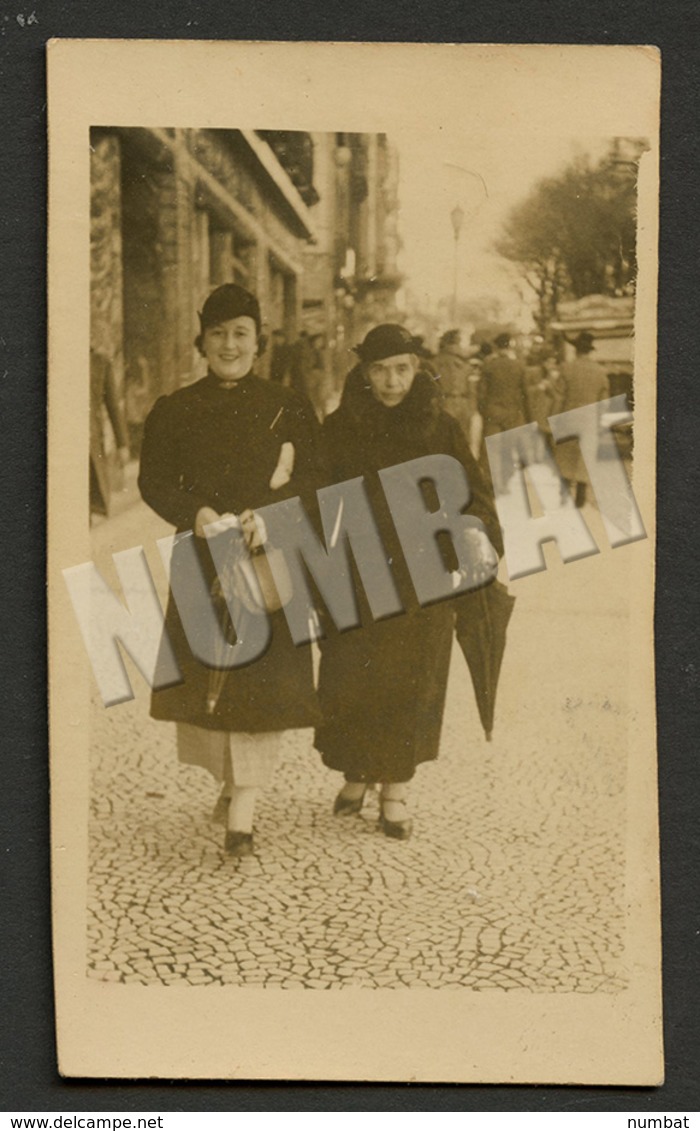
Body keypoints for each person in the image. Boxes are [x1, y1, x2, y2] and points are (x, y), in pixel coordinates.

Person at [138, 284, 322, 858]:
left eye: (241, 333)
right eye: (217, 333)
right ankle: (229, 781)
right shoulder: (175, 408)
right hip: (202, 554)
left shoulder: (288, 406)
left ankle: (243, 809)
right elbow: (153, 479)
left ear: (259, 341)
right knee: (210, 688)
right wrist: (193, 513)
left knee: (262, 684)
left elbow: (319, 475)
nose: (229, 344)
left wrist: (274, 515)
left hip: (268, 557)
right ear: (201, 341)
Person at [314, 324, 503, 841]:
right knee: (352, 676)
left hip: (423, 581)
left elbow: (474, 493)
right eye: (380, 369)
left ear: (417, 367)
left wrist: (479, 531)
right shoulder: (340, 427)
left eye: (401, 368)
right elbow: (313, 494)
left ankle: (394, 788)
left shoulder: (440, 427)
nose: (392, 381)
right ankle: (356, 773)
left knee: (409, 682)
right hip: (356, 575)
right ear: (364, 372)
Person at [553, 331, 610, 507]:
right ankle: (580, 497)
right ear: (590, 351)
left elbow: (558, 396)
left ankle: (563, 496)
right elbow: (604, 402)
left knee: (565, 456)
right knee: (585, 457)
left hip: (569, 418)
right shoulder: (600, 371)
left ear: (576, 350)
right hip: (590, 420)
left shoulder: (566, 368)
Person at [477, 332, 529, 495]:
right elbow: (525, 393)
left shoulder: (489, 365)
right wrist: (527, 415)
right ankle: (505, 483)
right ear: (509, 346)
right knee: (508, 448)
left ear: (496, 347)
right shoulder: (519, 365)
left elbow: (481, 393)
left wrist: (483, 410)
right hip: (513, 413)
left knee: (490, 449)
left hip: (493, 412)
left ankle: (491, 484)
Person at [90, 348, 130, 518]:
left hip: (90, 445)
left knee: (86, 503)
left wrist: (123, 444)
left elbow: (113, 405)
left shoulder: (100, 362)